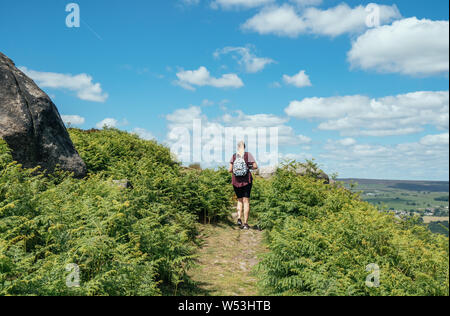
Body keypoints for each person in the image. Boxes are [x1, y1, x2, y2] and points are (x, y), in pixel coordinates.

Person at [229, 141, 258, 230]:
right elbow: (255, 166)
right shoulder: (248, 155)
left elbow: (230, 170)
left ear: (238, 147)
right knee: (246, 201)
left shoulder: (234, 156)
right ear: (244, 147)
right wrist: (248, 167)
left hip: (236, 181)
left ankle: (238, 219)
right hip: (246, 181)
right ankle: (245, 223)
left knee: (239, 200)